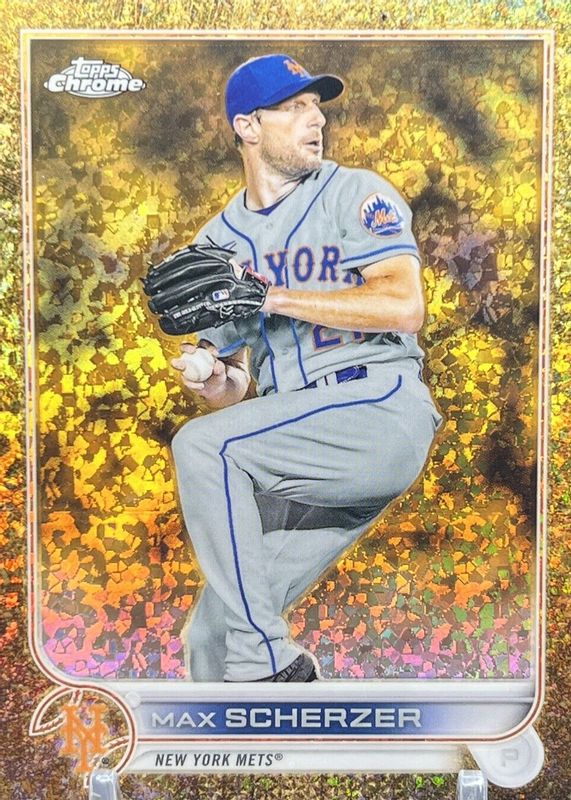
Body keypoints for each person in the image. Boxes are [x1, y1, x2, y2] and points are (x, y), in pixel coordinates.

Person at [170, 54, 442, 683]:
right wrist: (211, 375)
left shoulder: (355, 193)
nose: (316, 119)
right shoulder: (217, 241)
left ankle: (268, 660)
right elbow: (235, 383)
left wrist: (272, 296)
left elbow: (404, 306)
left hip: (377, 407)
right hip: (298, 439)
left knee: (204, 448)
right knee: (211, 639)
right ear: (248, 126)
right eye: (294, 107)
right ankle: (266, 717)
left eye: (316, 106)